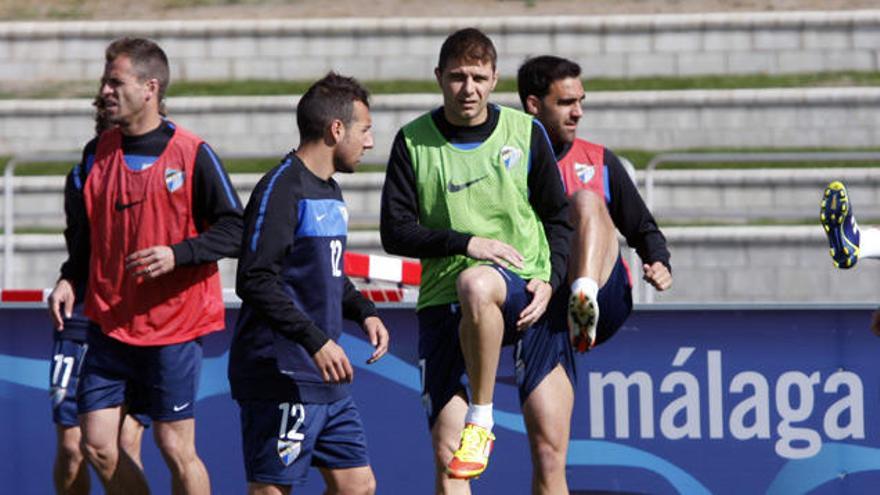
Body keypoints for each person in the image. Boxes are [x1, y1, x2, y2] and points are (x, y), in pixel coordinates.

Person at [47, 36, 243, 494]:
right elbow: (85, 238)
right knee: (95, 445)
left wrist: (177, 254)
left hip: (172, 328)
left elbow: (236, 229)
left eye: (116, 81)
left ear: (150, 87)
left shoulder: (193, 153)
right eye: (104, 81)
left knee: (175, 447)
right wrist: (69, 278)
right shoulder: (95, 153)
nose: (105, 90)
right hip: (110, 324)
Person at [380, 28, 574, 493]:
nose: (468, 89)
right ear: (438, 78)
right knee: (451, 461)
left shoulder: (525, 132)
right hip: (445, 300)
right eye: (457, 77)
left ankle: (481, 418)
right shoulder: (413, 142)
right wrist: (466, 243)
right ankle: (474, 427)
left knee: (550, 453)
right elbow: (395, 231)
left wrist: (551, 279)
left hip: (525, 292)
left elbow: (559, 218)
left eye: (479, 78)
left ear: (494, 80)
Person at [229, 72, 390, 495]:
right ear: (337, 130)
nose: (370, 142)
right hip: (280, 371)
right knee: (272, 490)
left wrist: (364, 311)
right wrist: (316, 340)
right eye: (366, 130)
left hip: (324, 377)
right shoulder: (281, 188)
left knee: (358, 485)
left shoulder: (330, 191)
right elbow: (255, 278)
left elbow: (327, 272)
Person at [517, 55, 672, 352]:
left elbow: (643, 228)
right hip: (538, 299)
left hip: (604, 298)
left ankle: (583, 300)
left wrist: (659, 261)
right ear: (534, 105)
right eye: (566, 103)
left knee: (586, 200)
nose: (578, 113)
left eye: (581, 101)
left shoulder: (599, 161)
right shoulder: (509, 162)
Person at [50, 91, 152, 495]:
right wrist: (68, 279)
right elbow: (79, 247)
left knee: (123, 443)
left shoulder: (165, 165)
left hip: (137, 321)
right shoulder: (82, 173)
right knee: (73, 445)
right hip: (82, 318)